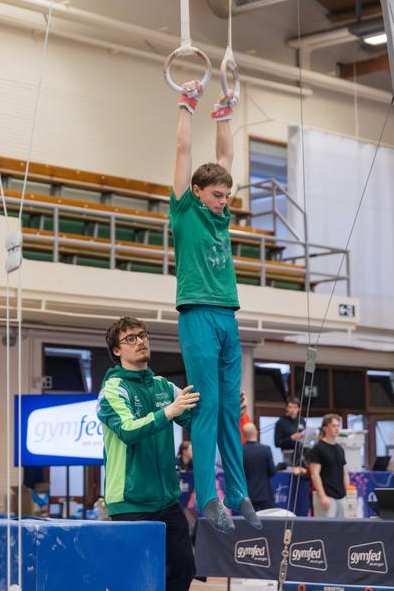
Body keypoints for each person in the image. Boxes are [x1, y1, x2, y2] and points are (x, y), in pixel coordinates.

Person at [168, 80, 261, 534]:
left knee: (230, 408)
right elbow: (184, 150)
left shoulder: (221, 212)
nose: (225, 204)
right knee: (206, 408)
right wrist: (188, 104)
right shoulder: (184, 210)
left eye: (227, 196)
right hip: (198, 314)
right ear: (198, 191)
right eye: (218, 196)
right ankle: (209, 497)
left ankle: (239, 493)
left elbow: (225, 158)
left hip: (227, 316)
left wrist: (225, 112)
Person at [97, 317, 199, 591]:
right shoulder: (112, 390)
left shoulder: (163, 387)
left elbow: (196, 422)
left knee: (185, 568)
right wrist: (169, 412)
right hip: (131, 503)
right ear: (117, 351)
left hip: (166, 500)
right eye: (130, 338)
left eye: (143, 335)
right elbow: (128, 430)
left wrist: (226, 409)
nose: (140, 341)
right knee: (136, 578)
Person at [308, 413, 349, 518]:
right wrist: (322, 496)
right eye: (333, 426)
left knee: (342, 529)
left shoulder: (340, 449)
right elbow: (314, 474)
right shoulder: (318, 448)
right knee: (325, 531)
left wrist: (347, 492)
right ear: (325, 428)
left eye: (338, 426)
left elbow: (345, 472)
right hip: (327, 496)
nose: (337, 429)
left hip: (341, 496)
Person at [242, 423, 276, 511]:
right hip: (265, 494)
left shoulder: (240, 451)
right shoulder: (265, 449)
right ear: (256, 433)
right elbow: (272, 471)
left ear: (244, 435)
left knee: (248, 523)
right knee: (268, 522)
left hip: (246, 494)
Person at [274, 397, 306, 465]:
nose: (292, 410)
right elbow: (277, 443)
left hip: (302, 452)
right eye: (290, 407)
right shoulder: (280, 422)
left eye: (295, 407)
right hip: (288, 453)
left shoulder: (302, 420)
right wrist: (291, 438)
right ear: (286, 408)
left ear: (299, 408)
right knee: (291, 473)